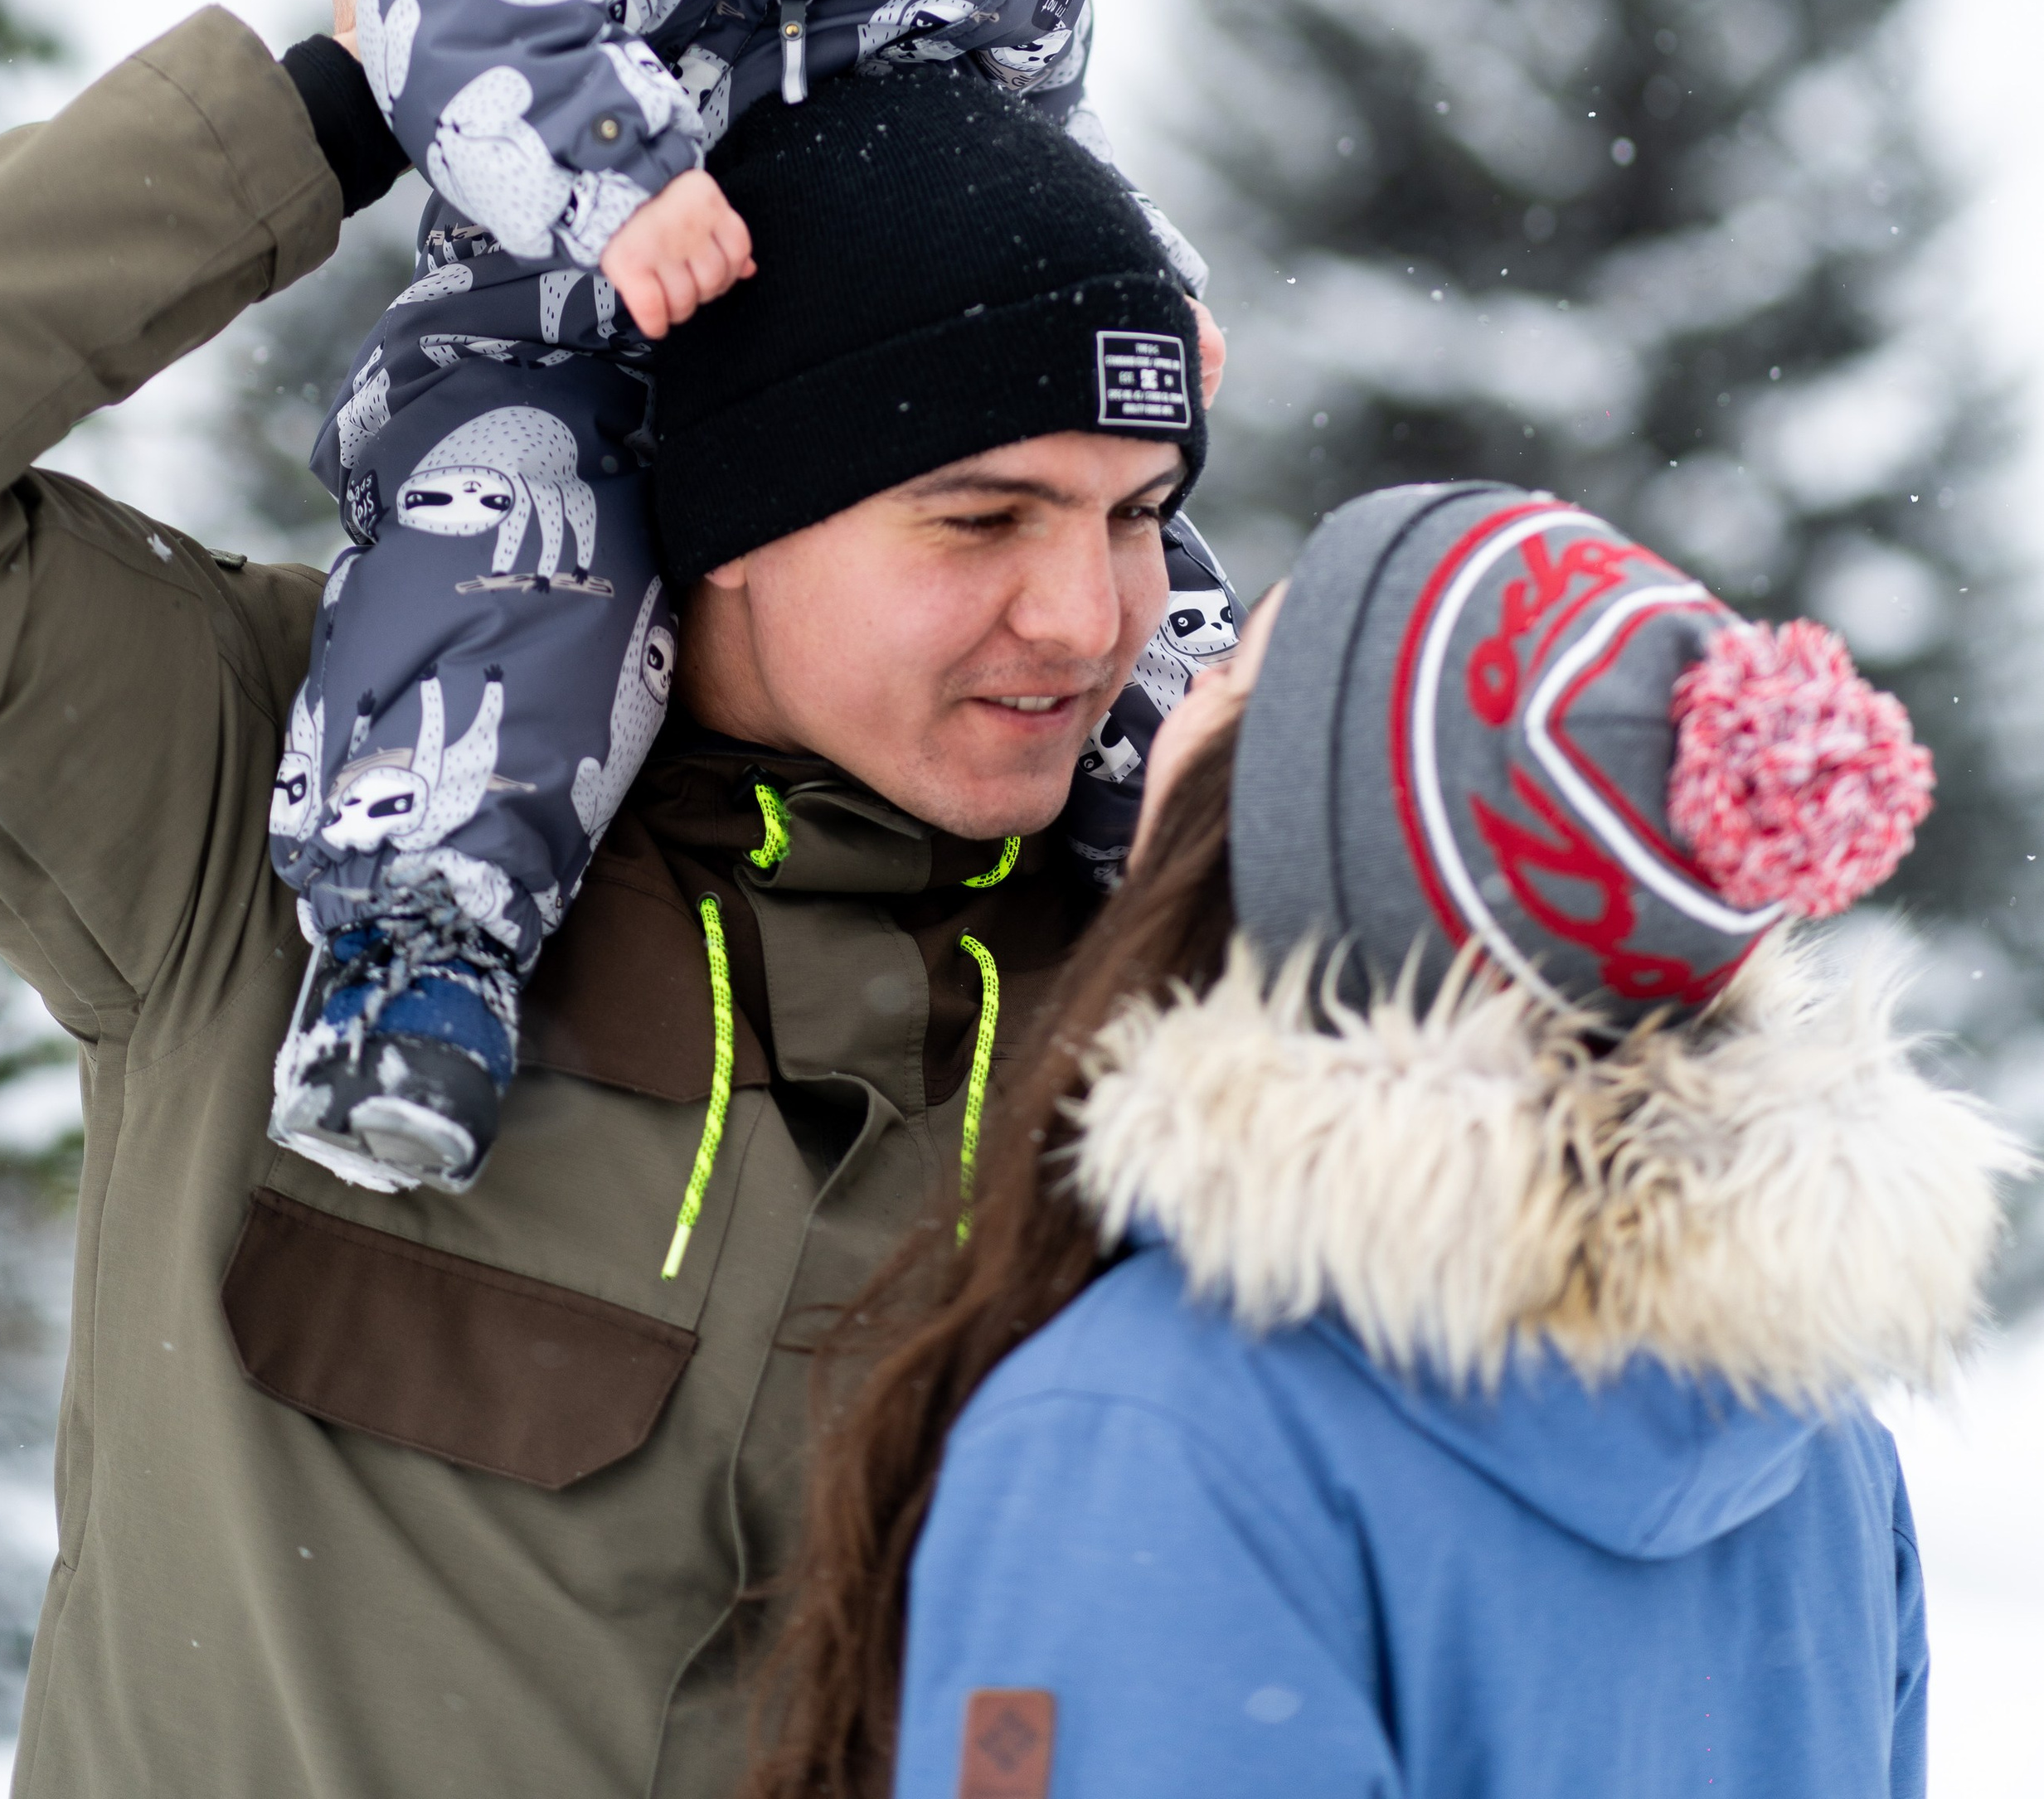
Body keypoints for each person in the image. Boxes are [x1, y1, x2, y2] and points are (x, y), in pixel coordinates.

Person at [0, 22, 1202, 1798]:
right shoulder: (296, 788)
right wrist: (373, 91)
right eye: (979, 518)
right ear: (733, 509)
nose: (1084, 615)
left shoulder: (1179, 974)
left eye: (1139, 516)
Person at [269, 0, 1229, 1196]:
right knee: (510, 585)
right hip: (566, 343)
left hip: (889, 390)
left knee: (1137, 595)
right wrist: (610, 174)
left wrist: (1127, 287)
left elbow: (1018, 142)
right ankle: (418, 957)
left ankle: (1232, 928)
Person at [755, 480, 2022, 1799]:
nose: (1163, 687)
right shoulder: (1804, 1441)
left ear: (1306, 840)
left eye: (1240, 679)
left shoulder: (1155, 1430)